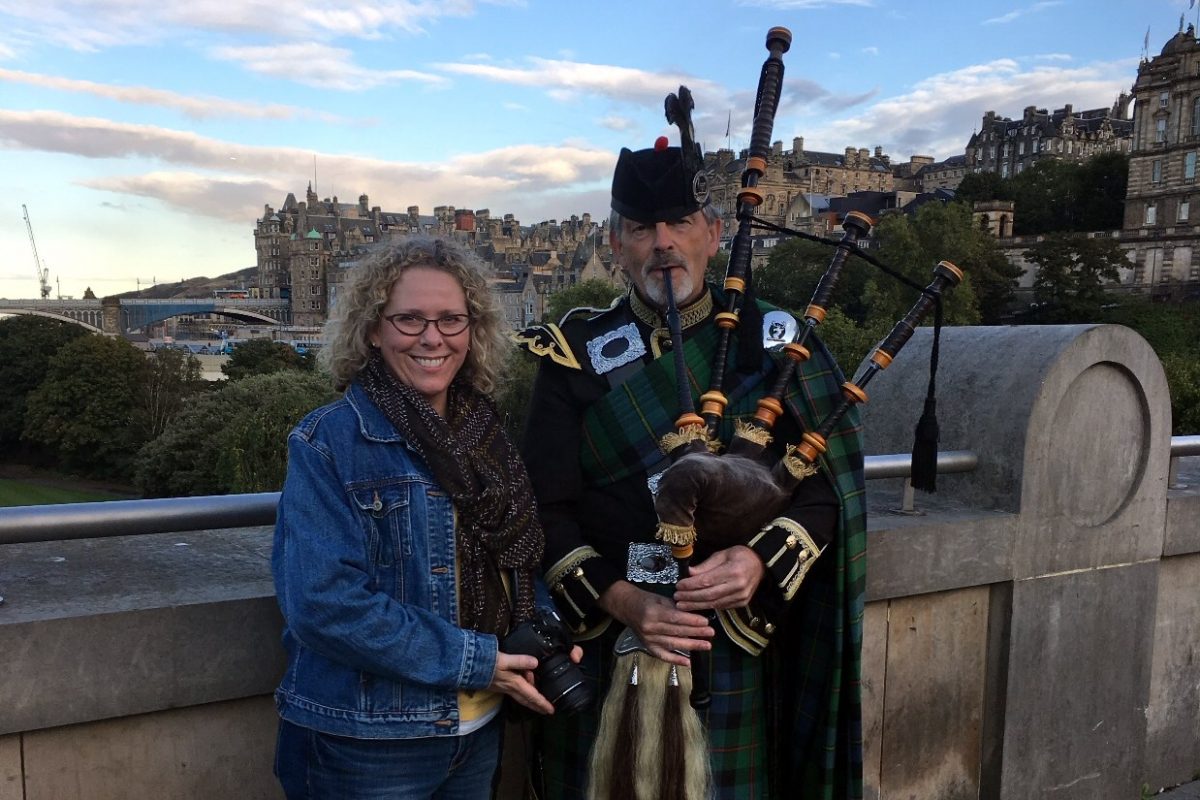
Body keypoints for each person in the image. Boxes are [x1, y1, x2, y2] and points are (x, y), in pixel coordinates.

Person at [517, 139, 867, 799]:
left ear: (713, 233)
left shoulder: (779, 348)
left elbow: (825, 492)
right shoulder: (573, 357)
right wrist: (626, 602)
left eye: (680, 224)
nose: (663, 243)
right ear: (616, 245)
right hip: (603, 641)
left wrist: (759, 561)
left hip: (733, 638)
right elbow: (544, 510)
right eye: (643, 228)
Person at [271, 236, 573, 800]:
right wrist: (480, 661)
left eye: (450, 320)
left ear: (474, 330)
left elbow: (516, 563)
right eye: (408, 319)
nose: (432, 338)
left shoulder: (486, 436)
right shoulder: (328, 440)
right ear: (373, 329)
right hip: (366, 741)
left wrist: (545, 630)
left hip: (477, 732)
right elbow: (323, 604)